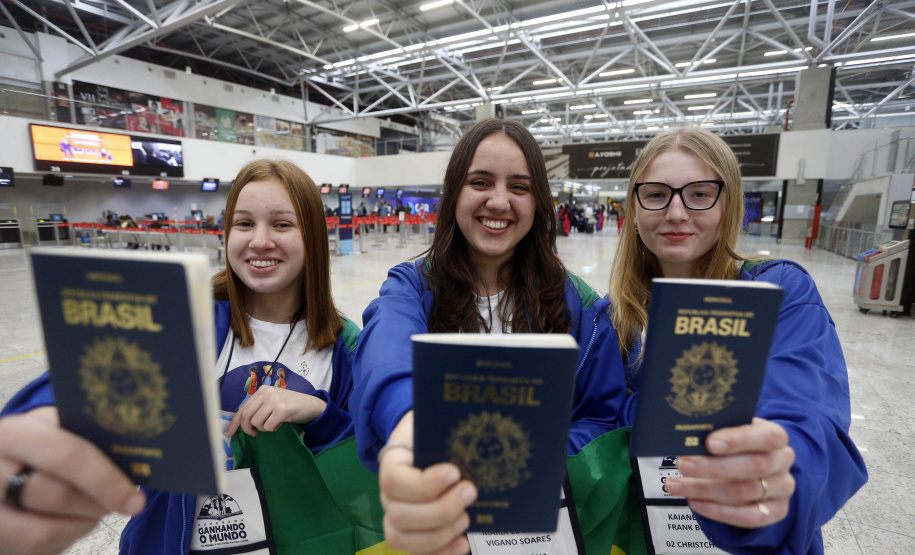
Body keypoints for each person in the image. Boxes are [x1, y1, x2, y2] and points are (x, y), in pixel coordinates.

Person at [0, 158, 360, 555]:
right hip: (173, 539)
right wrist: (38, 423)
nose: (260, 240)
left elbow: (360, 457)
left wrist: (317, 412)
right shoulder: (185, 318)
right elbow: (79, 384)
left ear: (312, 234)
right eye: (243, 224)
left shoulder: (340, 342)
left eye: (281, 224)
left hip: (301, 538)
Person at [351, 118, 630, 555]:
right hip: (446, 528)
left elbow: (601, 421)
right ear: (454, 194)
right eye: (480, 181)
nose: (498, 201)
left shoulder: (581, 308)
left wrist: (523, 462)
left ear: (538, 201)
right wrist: (411, 429)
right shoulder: (412, 288)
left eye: (519, 187)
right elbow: (386, 350)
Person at [608, 127, 866, 554]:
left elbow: (808, 415)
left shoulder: (777, 294)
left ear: (727, 205)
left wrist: (777, 480)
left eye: (699, 193)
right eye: (655, 194)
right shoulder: (614, 320)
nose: (675, 212)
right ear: (633, 209)